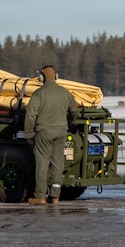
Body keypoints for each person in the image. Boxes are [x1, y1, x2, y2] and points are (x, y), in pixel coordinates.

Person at [23, 65, 77, 205]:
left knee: (42, 164)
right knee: (58, 163)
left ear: (42, 77)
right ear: (56, 77)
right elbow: (74, 111)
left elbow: (30, 115)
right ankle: (55, 196)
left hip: (44, 132)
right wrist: (68, 123)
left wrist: (29, 133)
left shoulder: (39, 94)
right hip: (61, 131)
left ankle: (40, 196)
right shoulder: (65, 93)